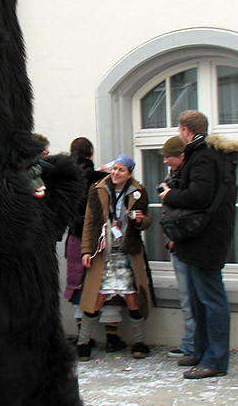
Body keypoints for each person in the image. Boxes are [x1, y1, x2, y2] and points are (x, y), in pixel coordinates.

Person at [159, 111, 238, 379]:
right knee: (198, 299)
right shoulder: (207, 154)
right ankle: (201, 351)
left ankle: (215, 360)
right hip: (200, 237)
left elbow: (199, 196)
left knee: (211, 298)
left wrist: (170, 194)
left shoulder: (203, 155)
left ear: (185, 130)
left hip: (206, 239)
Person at [78, 154, 153, 360]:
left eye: (121, 170)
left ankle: (140, 342)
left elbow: (147, 221)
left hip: (127, 252)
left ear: (129, 173)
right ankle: (83, 343)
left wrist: (140, 220)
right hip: (104, 252)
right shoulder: (98, 190)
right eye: (114, 169)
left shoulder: (137, 191)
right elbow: (90, 223)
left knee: (133, 298)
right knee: (96, 297)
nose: (116, 173)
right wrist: (86, 251)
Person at [63, 137, 109, 345]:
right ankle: (112, 337)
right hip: (96, 236)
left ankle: (84, 337)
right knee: (102, 283)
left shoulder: (65, 178)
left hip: (74, 234)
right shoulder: (99, 178)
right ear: (91, 154)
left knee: (77, 284)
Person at [160, 137, 198, 366]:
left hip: (188, 244)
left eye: (168, 156)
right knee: (187, 298)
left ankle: (192, 344)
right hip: (177, 244)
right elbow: (167, 214)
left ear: (180, 155)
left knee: (192, 298)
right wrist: (169, 239)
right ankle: (190, 343)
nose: (165, 161)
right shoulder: (172, 178)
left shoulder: (189, 178)